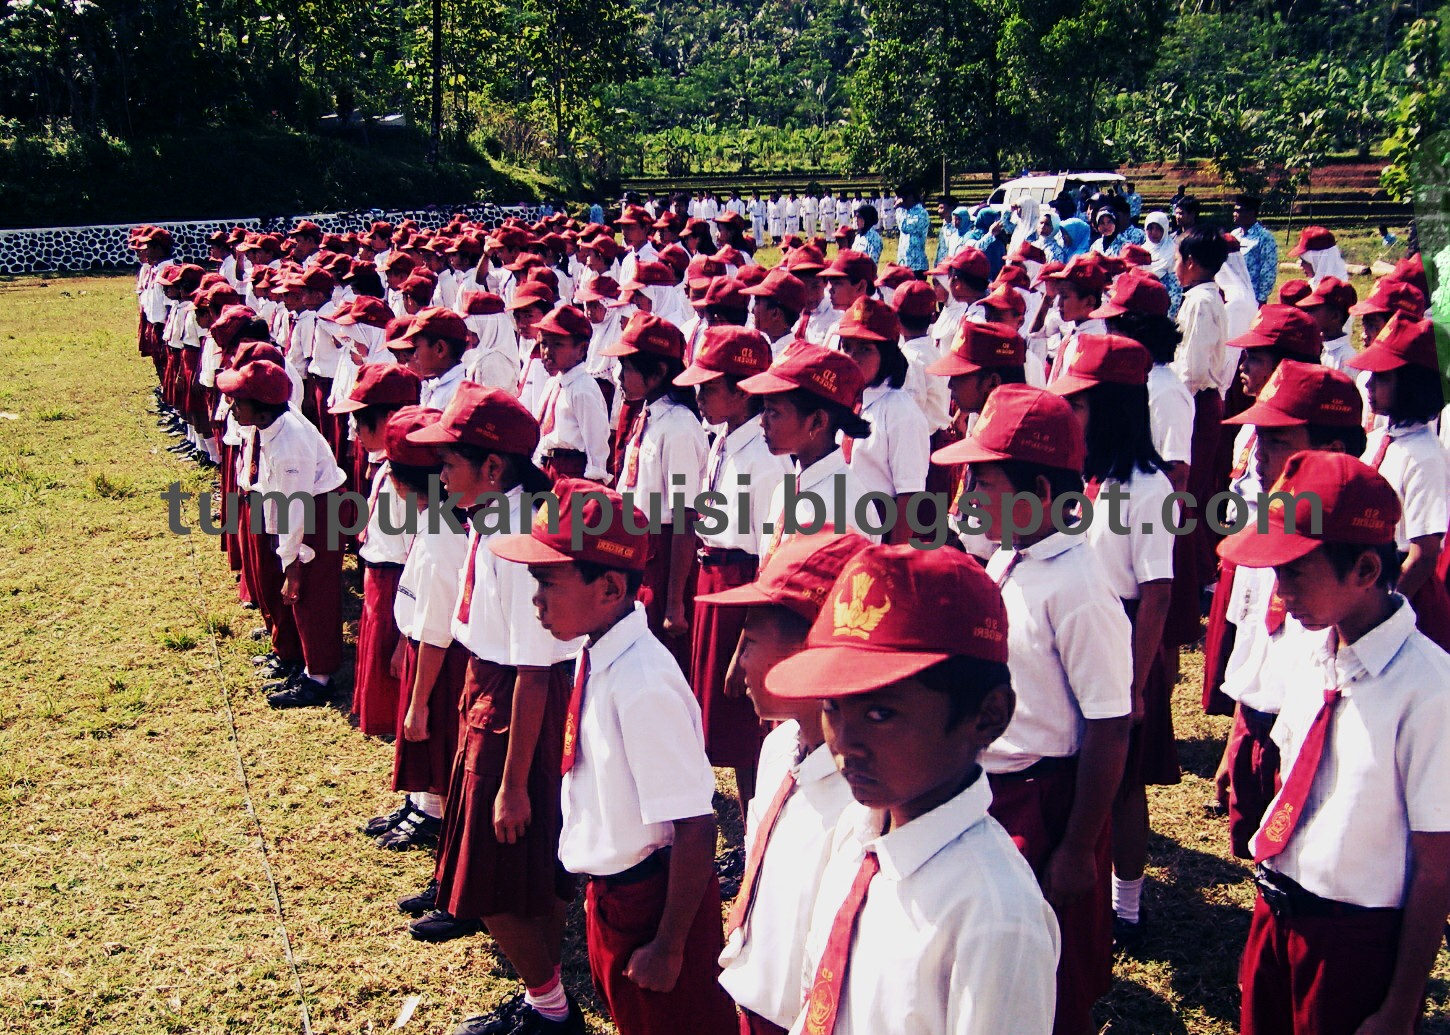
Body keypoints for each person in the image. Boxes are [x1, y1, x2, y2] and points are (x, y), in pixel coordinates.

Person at [765, 544, 1060, 1035]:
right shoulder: (858, 833)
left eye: (881, 713)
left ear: (987, 717)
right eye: (832, 706)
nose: (845, 744)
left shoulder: (995, 916)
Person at [490, 479, 739, 1035]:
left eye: (547, 582)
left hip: (653, 902)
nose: (536, 599)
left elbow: (697, 828)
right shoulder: (597, 651)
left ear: (608, 587)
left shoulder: (643, 682)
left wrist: (670, 947)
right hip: (615, 894)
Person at [1218, 451, 1450, 1035]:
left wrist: (1401, 1006)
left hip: (1353, 941)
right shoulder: (1313, 652)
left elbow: (1436, 868)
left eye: (1295, 570)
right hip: (1278, 909)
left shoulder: (1430, 691)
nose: (1280, 590)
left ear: (1367, 571)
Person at [935, 383, 1131, 1035]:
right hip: (994, 790)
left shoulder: (1078, 587)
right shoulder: (1014, 560)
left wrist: (1077, 844)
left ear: (1041, 495)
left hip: (1044, 802)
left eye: (985, 483)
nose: (968, 498)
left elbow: (1109, 724)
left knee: (1044, 977)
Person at [400, 384, 587, 1032]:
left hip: (515, 707)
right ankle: (546, 997)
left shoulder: (519, 532)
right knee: (524, 865)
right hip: (493, 691)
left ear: (493, 468)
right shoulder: (497, 514)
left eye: (450, 463)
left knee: (495, 866)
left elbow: (535, 667)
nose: (440, 474)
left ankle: (551, 1008)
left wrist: (510, 782)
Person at [691, 531, 870, 1035]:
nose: (738, 661)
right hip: (757, 1001)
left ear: (812, 647)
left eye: (749, 640)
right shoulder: (777, 750)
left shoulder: (862, 800)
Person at [1048, 334, 1178, 948]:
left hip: (1127, 641)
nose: (1070, 413)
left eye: (1080, 403)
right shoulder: (1084, 477)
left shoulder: (1147, 488)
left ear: (1114, 409)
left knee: (1123, 785)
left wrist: (1133, 681)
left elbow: (1157, 594)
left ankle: (1128, 907)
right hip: (1080, 633)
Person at [1210, 361, 1365, 859]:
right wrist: (1234, 737)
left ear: (1331, 450)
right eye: (1259, 436)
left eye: (1277, 439)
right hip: (1258, 715)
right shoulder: (1270, 517)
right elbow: (1256, 628)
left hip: (1306, 737)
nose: (1259, 453)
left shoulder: (1343, 551)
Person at [674, 326, 792, 813]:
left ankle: (754, 824)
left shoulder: (765, 459)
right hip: (713, 574)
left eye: (710, 387)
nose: (699, 396)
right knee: (720, 718)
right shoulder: (724, 440)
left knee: (744, 720)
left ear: (743, 390)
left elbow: (767, 552)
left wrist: (750, 629)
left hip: (741, 581)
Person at [219, 358, 347, 709]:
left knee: (311, 593)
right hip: (297, 505)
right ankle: (295, 657)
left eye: (237, 402)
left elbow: (297, 510)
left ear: (261, 410)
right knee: (292, 590)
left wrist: (291, 564)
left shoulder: (290, 442)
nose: (231, 408)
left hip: (319, 513)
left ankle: (319, 677)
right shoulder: (268, 426)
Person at [603, 313, 709, 669]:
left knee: (658, 658)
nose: (619, 377)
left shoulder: (678, 426)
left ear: (659, 371)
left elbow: (684, 517)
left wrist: (675, 602)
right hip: (639, 550)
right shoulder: (646, 415)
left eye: (628, 367)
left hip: (664, 556)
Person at [329, 363, 423, 738]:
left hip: (396, 579)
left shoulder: (410, 483)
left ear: (389, 419)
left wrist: (405, 637)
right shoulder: (387, 469)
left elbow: (414, 552)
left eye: (362, 420)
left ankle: (391, 718)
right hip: (378, 570)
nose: (353, 430)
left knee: (390, 658)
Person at [1348, 314, 1450, 650]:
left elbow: (1424, 553)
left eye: (1382, 378)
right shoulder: (1380, 439)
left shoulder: (1425, 456)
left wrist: (1385, 613)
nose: (1369, 385)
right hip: (1366, 579)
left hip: (1402, 590)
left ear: (1412, 384)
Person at [739, 343, 876, 559]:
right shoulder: (786, 489)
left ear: (818, 421)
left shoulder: (843, 505)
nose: (762, 422)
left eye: (773, 412)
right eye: (763, 409)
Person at [835, 298, 931, 545]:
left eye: (865, 349)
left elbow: (909, 495)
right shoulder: (847, 403)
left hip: (877, 531)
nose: (853, 358)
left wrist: (893, 559)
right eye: (847, 347)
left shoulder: (901, 411)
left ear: (887, 355)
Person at [531, 305, 611, 483]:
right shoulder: (553, 383)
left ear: (581, 350)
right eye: (544, 343)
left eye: (557, 344)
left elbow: (596, 440)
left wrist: (594, 479)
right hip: (549, 466)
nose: (546, 352)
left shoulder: (583, 389)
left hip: (571, 470)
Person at [1230, 195, 1278, 305]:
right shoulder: (1234, 235)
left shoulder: (1264, 237)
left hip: (1253, 298)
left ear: (1251, 213)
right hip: (1233, 296)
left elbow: (1268, 271)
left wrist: (1261, 299)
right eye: (1234, 210)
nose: (1234, 214)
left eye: (1239, 211)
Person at [895, 188, 930, 274]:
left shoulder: (921, 213)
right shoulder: (905, 211)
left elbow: (906, 228)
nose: (901, 202)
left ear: (911, 197)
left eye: (903, 199)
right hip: (903, 262)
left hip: (916, 264)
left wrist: (898, 209)